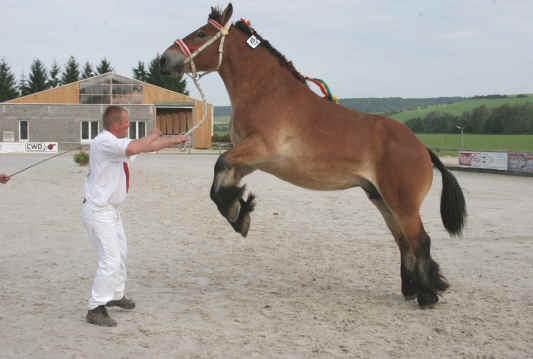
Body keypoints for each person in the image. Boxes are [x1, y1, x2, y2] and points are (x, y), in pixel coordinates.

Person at [81, 105, 187, 327]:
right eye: (127, 122)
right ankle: (95, 308)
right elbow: (138, 146)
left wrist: (166, 140)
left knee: (120, 254)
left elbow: (141, 149)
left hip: (110, 211)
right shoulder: (105, 142)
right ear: (116, 125)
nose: (129, 125)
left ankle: (115, 295)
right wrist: (160, 137)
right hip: (99, 211)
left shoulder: (115, 146)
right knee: (109, 259)